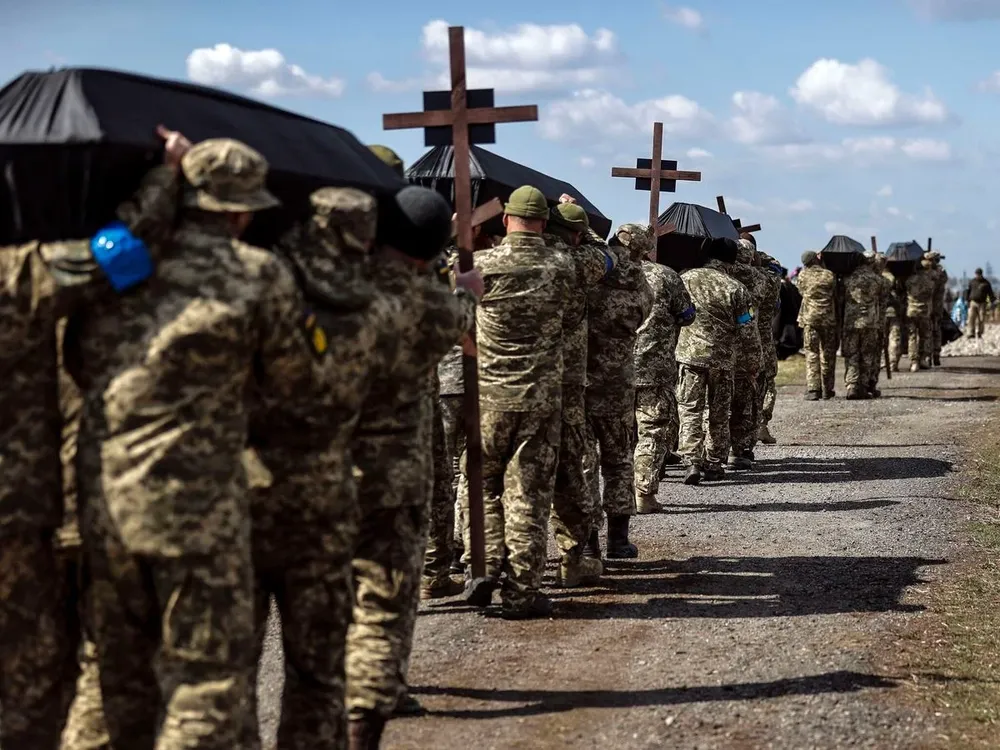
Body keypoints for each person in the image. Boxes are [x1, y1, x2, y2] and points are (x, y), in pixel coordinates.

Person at [66, 138, 330, 750]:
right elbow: (297, 383)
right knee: (204, 679)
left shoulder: (112, 272)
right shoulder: (257, 276)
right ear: (241, 211)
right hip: (200, 504)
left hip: (107, 496)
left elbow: (78, 358)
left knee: (108, 674)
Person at [0, 126, 185, 750]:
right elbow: (120, 256)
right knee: (32, 680)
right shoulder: (14, 275)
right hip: (16, 514)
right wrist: (166, 175)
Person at [244, 186, 404, 750]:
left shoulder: (253, 285)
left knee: (228, 672)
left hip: (243, 492)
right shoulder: (379, 305)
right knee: (316, 670)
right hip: (323, 500)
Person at [344, 185, 479, 747]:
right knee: (383, 594)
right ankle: (369, 710)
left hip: (318, 469)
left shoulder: (327, 286)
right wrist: (465, 290)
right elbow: (461, 323)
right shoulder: (426, 306)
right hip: (393, 473)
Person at [459, 184, 573, 618]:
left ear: (506, 220)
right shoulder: (563, 265)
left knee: (481, 485)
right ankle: (522, 594)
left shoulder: (479, 265)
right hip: (541, 400)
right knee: (528, 494)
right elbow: (597, 261)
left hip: (488, 396)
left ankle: (481, 567)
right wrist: (570, 216)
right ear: (544, 223)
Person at [543, 201, 618, 584]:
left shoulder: (492, 261)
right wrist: (584, 228)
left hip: (504, 388)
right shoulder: (574, 263)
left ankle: (490, 563)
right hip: (568, 386)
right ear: (573, 234)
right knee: (574, 471)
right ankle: (577, 554)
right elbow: (606, 258)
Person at [583, 223, 654, 558]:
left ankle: (586, 544)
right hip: (618, 381)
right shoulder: (641, 283)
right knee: (619, 461)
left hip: (581, 379)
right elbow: (645, 312)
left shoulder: (592, 269)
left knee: (583, 462)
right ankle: (618, 540)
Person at [675, 238, 755, 485]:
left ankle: (690, 461)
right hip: (722, 360)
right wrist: (750, 363)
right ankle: (714, 462)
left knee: (690, 409)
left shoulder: (685, 279)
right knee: (719, 412)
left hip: (690, 357)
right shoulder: (736, 288)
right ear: (731, 260)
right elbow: (747, 329)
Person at [633, 241, 695, 511]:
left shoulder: (604, 272)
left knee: (615, 434)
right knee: (652, 431)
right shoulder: (665, 275)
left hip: (611, 368)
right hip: (654, 367)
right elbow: (687, 314)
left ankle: (615, 495)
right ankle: (644, 494)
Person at [724, 239, 766, 469]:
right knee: (743, 401)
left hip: (720, 347)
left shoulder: (719, 274)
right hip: (745, 342)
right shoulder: (757, 277)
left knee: (716, 402)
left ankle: (710, 451)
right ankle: (738, 449)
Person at [796, 251, 838, 400]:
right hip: (828, 319)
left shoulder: (802, 276)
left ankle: (814, 389)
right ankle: (827, 388)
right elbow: (834, 292)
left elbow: (801, 292)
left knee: (812, 353)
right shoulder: (829, 275)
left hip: (810, 319)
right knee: (827, 354)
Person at [842, 253, 884, 399]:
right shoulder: (877, 280)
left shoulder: (848, 279)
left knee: (852, 354)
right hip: (870, 322)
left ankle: (852, 385)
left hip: (851, 322)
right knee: (867, 355)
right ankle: (864, 387)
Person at [752, 247, 783, 446]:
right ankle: (761, 425)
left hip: (736, 339)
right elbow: (775, 266)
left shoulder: (732, 277)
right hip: (763, 337)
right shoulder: (769, 279)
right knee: (767, 381)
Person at [905, 257, 936, 371]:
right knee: (925, 336)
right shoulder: (929, 282)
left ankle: (914, 362)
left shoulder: (910, 280)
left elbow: (906, 290)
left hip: (911, 311)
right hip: (924, 312)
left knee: (912, 336)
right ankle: (923, 358)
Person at [926, 251, 949, 365]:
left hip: (933, 306)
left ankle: (933, 355)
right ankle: (933, 355)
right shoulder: (939, 272)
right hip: (934, 306)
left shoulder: (936, 272)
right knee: (934, 331)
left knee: (932, 331)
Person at [965, 267, 994, 339]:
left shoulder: (986, 283)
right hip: (973, 302)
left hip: (982, 303)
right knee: (971, 317)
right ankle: (971, 333)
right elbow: (968, 291)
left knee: (981, 318)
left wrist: (992, 301)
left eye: (979, 274)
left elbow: (990, 293)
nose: (977, 275)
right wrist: (967, 300)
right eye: (976, 274)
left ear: (981, 274)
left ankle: (980, 332)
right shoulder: (972, 282)